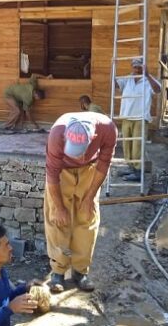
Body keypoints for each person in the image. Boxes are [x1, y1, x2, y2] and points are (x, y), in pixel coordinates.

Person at [44, 112, 117, 294]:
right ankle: (58, 272)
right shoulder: (57, 133)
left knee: (88, 216)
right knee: (57, 219)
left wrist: (89, 197)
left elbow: (104, 164)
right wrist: (60, 207)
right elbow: (52, 174)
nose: (76, 156)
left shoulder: (107, 128)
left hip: (90, 170)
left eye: (79, 150)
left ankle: (80, 271)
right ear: (66, 135)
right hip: (62, 171)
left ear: (93, 137)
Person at [115, 58, 161, 182]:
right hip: (126, 116)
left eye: (139, 67)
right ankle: (131, 168)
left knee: (137, 145)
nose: (137, 69)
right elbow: (115, 85)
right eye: (135, 67)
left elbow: (158, 90)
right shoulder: (127, 78)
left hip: (140, 118)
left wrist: (148, 75)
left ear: (144, 67)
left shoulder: (148, 80)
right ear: (132, 67)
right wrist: (113, 68)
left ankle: (138, 171)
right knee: (127, 145)